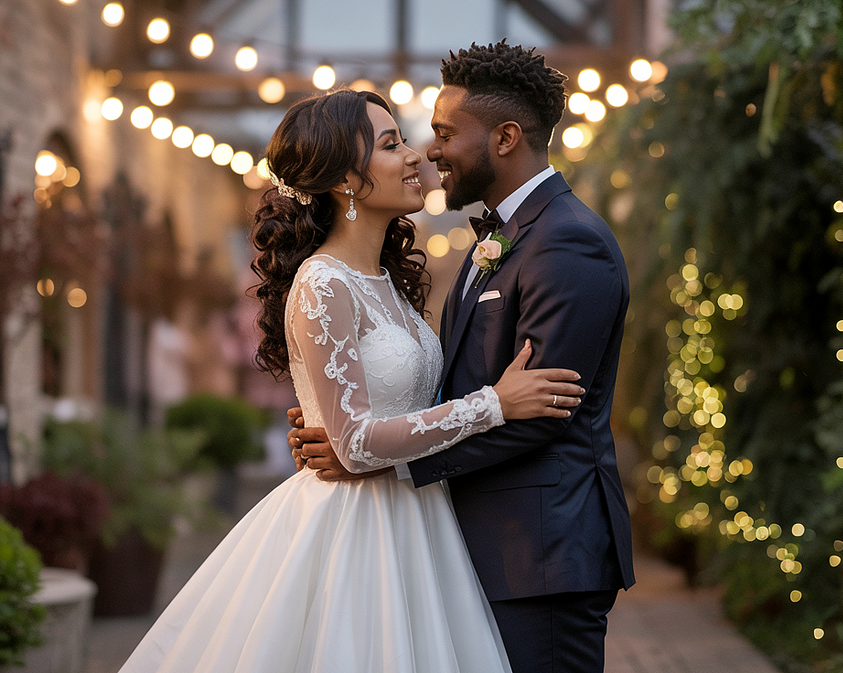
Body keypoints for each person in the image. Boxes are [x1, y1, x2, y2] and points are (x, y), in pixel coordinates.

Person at [119, 87, 585, 673]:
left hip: (421, 519)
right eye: (391, 144)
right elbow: (355, 443)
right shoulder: (323, 283)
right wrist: (493, 405)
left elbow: (378, 414)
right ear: (345, 179)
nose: (416, 155)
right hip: (353, 531)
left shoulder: (388, 281)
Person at [289, 41, 636, 673]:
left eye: (445, 133)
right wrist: (343, 417)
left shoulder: (567, 245)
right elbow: (455, 390)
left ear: (505, 138)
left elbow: (541, 411)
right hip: (468, 543)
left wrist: (375, 461)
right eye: (406, 140)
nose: (431, 150)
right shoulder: (500, 239)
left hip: (542, 554)